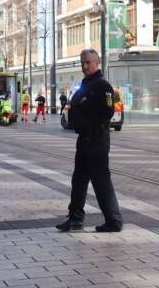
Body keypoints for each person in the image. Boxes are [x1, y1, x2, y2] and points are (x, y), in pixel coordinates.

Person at [56, 49, 123, 233]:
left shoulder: (103, 86)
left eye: (88, 62)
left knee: (101, 181)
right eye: (82, 62)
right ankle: (75, 220)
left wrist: (86, 120)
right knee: (78, 181)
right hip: (84, 140)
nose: (84, 66)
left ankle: (114, 221)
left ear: (97, 62)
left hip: (96, 140)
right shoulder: (85, 85)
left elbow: (107, 112)